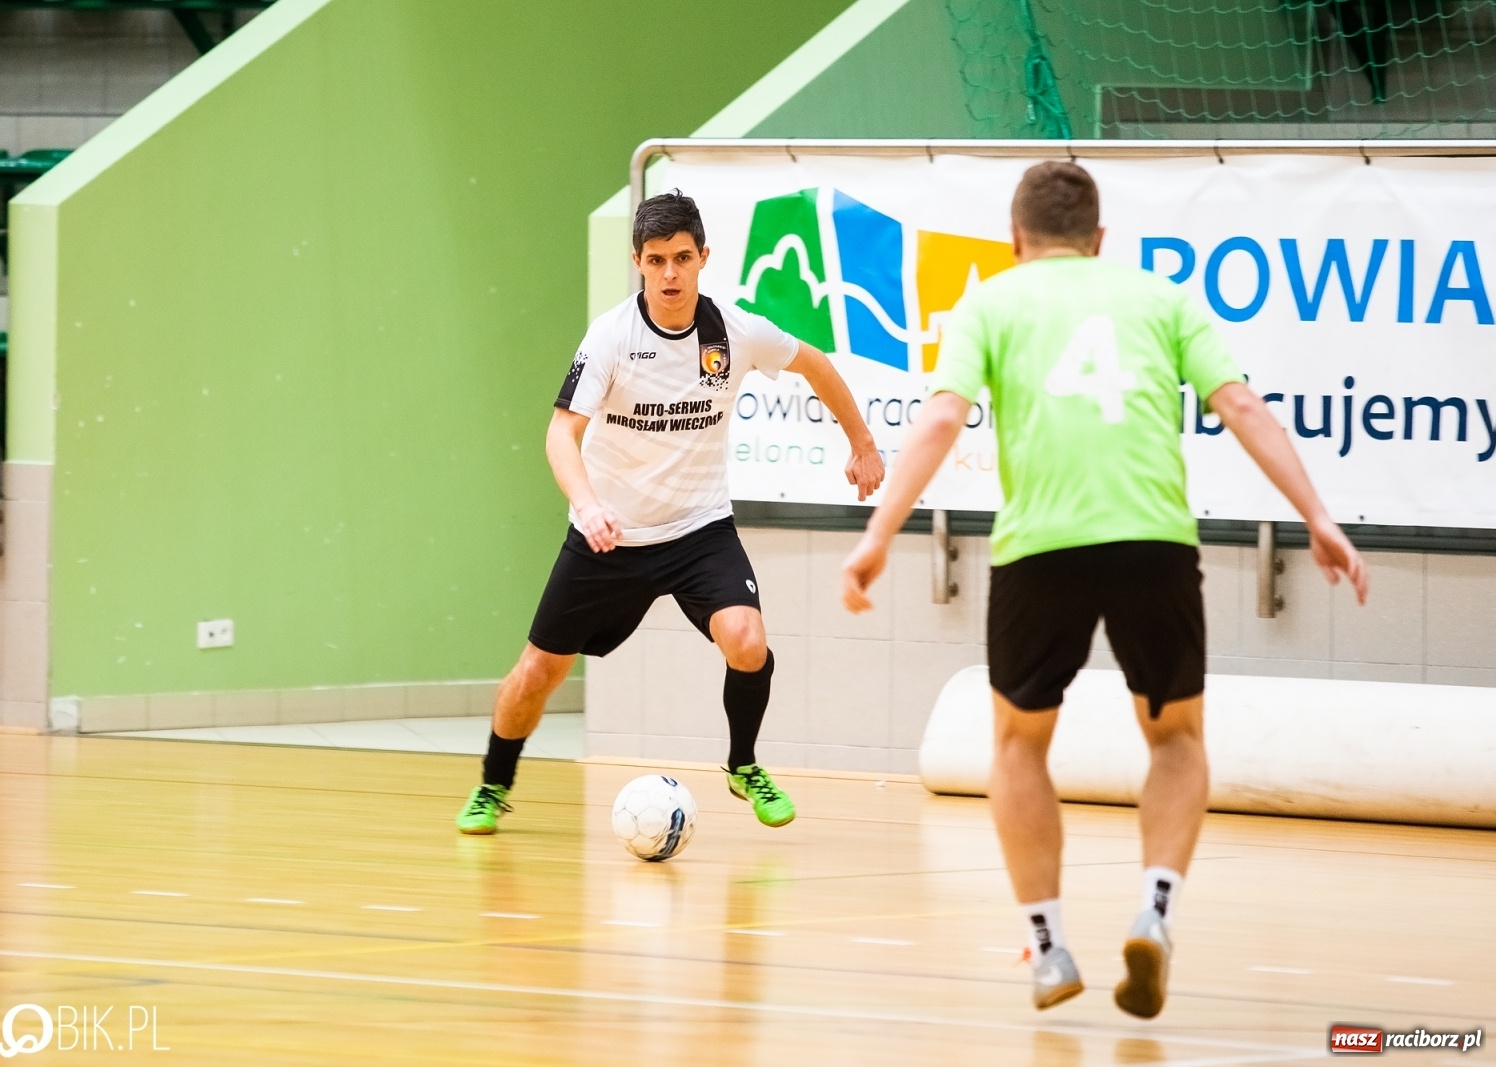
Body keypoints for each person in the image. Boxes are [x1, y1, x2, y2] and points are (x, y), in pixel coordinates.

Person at [840, 161, 1368, 1017]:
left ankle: (1049, 947)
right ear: (1100, 239)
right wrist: (1318, 516)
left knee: (1018, 745)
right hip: (1153, 544)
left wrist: (876, 537)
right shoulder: (1163, 298)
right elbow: (1242, 406)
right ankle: (1155, 914)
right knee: (1175, 738)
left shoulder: (991, 301)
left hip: (1039, 547)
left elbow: (940, 418)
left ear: (1015, 242)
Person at [457, 190, 885, 835]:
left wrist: (863, 444)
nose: (669, 274)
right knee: (538, 673)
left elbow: (816, 364)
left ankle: (743, 765)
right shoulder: (611, 337)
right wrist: (588, 504)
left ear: (703, 256)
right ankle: (494, 783)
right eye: (655, 261)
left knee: (747, 641)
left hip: (698, 531)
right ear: (638, 262)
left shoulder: (736, 331)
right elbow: (558, 434)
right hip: (609, 536)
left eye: (682, 258)